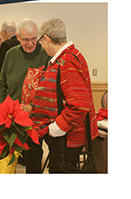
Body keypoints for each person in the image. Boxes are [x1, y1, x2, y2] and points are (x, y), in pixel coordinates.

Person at [25, 18, 98, 173]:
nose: (41, 46)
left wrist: (56, 128)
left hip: (68, 137)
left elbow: (80, 105)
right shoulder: (68, 56)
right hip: (66, 136)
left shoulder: (67, 60)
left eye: (40, 41)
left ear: (46, 39)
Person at [0, 19, 50, 103]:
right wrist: (0, 107)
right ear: (18, 37)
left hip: (37, 111)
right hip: (12, 111)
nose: (30, 44)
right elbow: (2, 84)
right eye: (25, 40)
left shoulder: (47, 54)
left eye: (34, 39)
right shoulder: (11, 54)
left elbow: (50, 90)